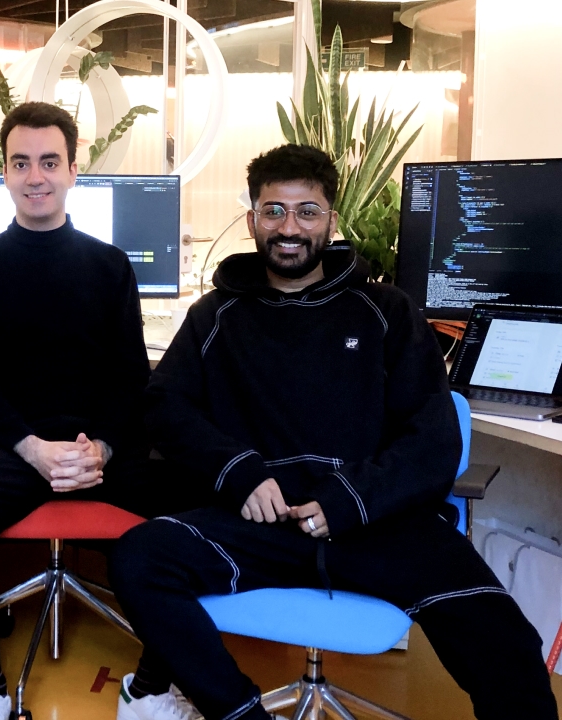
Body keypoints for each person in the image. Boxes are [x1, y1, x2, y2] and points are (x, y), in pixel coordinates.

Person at [109, 144, 558, 720]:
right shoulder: (215, 315)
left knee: (506, 642)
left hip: (376, 523)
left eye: (306, 211)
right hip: (259, 524)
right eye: (273, 211)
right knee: (139, 560)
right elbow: (166, 408)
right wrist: (241, 473)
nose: (288, 228)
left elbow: (434, 441)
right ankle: (240, 713)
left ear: (331, 221)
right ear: (252, 219)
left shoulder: (387, 312)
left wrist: (349, 501)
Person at [0, 101, 152, 720]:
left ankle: (157, 683)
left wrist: (99, 447)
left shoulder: (109, 266)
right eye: (20, 163)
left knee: (190, 502)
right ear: (5, 173)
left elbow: (132, 378)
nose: (36, 176)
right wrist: (33, 448)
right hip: (9, 445)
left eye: (50, 162)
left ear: (73, 170)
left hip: (93, 447)